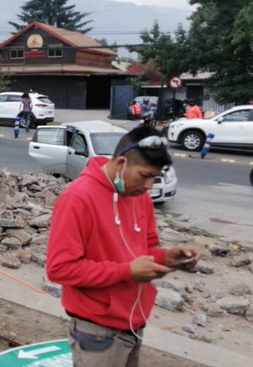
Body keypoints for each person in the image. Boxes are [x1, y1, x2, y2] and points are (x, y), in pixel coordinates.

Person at [47, 125, 201, 367]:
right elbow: (60, 269)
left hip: (134, 322)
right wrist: (127, 271)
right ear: (121, 164)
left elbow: (143, 253)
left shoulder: (140, 198)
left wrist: (168, 258)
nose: (150, 185)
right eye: (145, 175)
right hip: (96, 331)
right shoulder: (77, 198)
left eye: (155, 178)